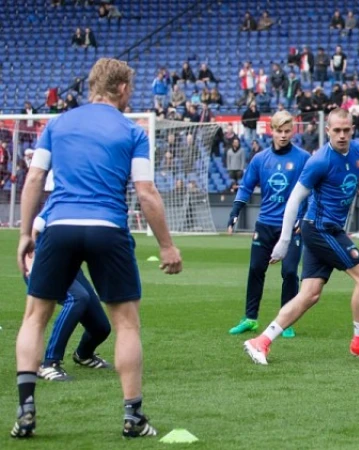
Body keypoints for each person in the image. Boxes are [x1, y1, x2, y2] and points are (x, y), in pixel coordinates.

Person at [12, 58, 182, 439]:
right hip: (107, 227)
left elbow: (35, 177)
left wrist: (26, 233)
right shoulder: (132, 131)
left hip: (59, 226)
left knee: (35, 317)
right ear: (122, 88)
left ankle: (25, 410)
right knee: (125, 323)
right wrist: (167, 246)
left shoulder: (57, 124)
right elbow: (146, 192)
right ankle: (133, 417)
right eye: (130, 90)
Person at [243, 108, 359, 365]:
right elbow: (294, 200)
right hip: (321, 228)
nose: (342, 135)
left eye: (346, 130)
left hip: (325, 228)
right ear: (328, 131)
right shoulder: (319, 161)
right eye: (337, 130)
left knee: (309, 294)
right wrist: (285, 241)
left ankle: (261, 341)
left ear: (353, 129)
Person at [227, 111, 310, 338]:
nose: (283, 135)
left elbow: (313, 190)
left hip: (292, 226)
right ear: (271, 131)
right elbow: (245, 187)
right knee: (255, 269)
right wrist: (235, 211)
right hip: (265, 224)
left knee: (290, 271)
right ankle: (250, 318)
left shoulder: (303, 158)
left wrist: (304, 218)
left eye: (287, 131)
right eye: (279, 131)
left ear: (292, 131)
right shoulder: (260, 159)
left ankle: (287, 321)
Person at [30, 173, 111, 382]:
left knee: (101, 328)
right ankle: (49, 363)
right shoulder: (56, 205)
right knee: (77, 298)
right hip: (43, 265)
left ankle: (83, 354)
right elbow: (35, 232)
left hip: (72, 269)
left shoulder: (88, 206)